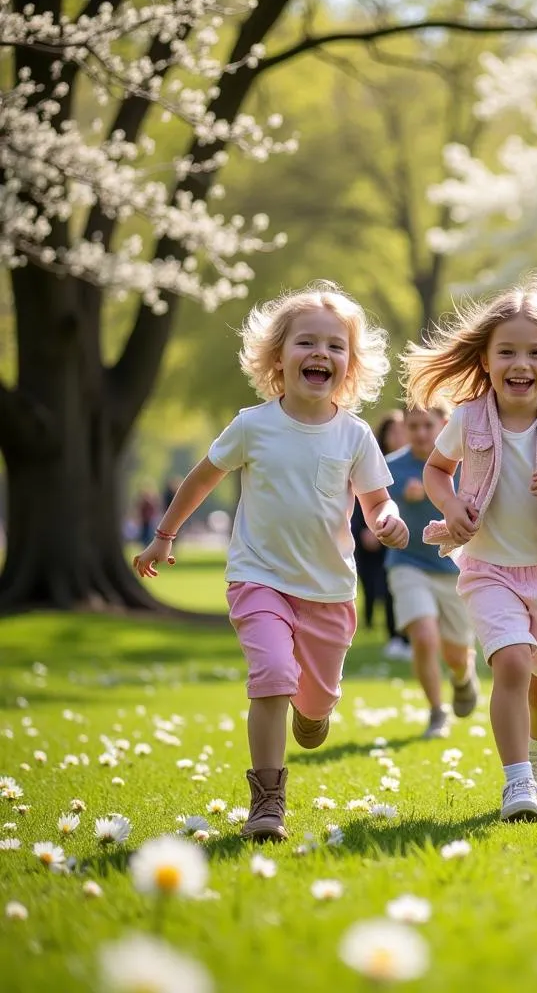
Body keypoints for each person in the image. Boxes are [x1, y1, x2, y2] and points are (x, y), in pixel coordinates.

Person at [132, 281, 409, 842]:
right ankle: (268, 802)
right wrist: (164, 534)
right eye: (306, 342)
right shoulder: (252, 425)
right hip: (259, 579)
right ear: (277, 357)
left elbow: (376, 499)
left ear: (349, 365)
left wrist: (385, 520)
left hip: (329, 591)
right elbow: (202, 477)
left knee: (313, 707)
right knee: (273, 677)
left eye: (335, 346)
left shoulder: (355, 435)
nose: (320, 354)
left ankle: (314, 711)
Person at [403, 279, 537, 822]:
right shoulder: (468, 418)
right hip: (489, 569)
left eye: (535, 353)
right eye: (507, 351)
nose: (520, 363)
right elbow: (435, 470)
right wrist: (450, 506)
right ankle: (517, 782)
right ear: (486, 359)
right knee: (512, 667)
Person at [386, 405, 479, 738]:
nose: (422, 433)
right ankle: (436, 713)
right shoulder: (391, 468)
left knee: (455, 653)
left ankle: (462, 677)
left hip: (454, 567)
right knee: (424, 637)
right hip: (407, 564)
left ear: (444, 425)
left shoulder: (464, 466)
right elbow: (376, 506)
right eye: (414, 426)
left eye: (428, 425)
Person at [352, 410, 411, 661]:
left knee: (398, 586)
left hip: (404, 538)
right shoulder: (374, 460)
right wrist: (368, 529)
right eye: (393, 431)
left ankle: (404, 636)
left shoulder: (418, 464)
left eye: (402, 431)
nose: (399, 436)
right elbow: (362, 500)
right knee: (378, 584)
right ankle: (390, 634)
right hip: (375, 534)